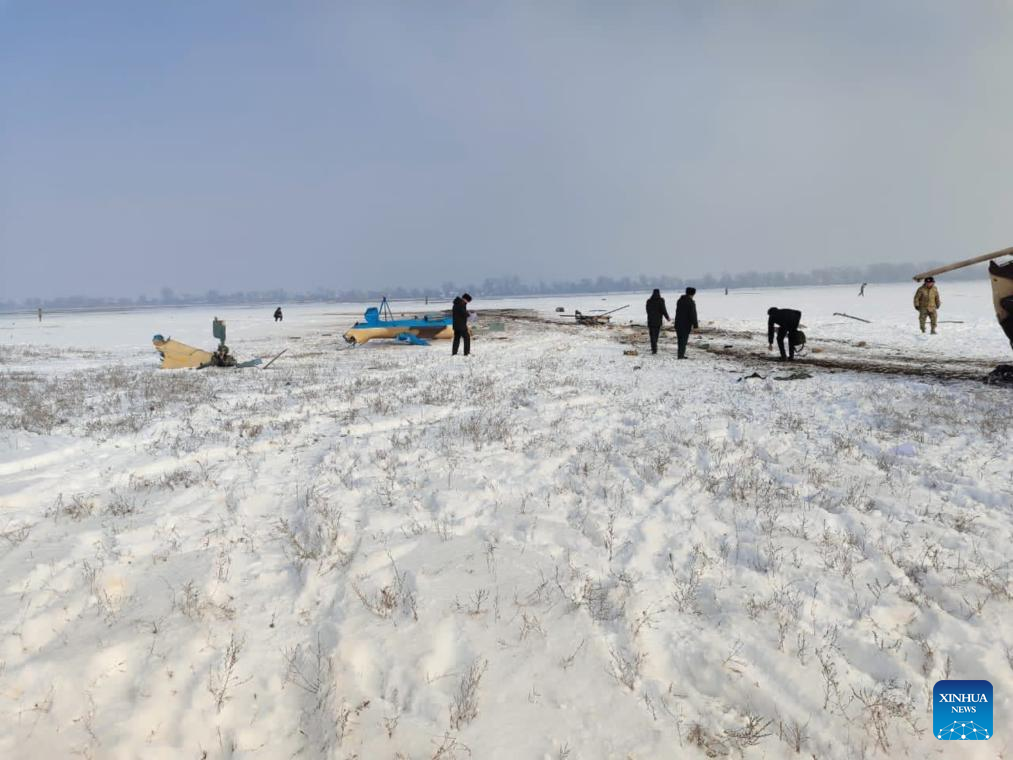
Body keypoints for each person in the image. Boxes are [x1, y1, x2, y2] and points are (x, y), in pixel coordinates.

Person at [674, 287, 699, 359]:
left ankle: (680, 354)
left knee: (680, 340)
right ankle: (680, 355)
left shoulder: (679, 301)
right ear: (692, 294)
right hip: (686, 324)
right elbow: (693, 314)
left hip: (678, 323)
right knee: (683, 340)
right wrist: (695, 325)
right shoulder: (691, 302)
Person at [645, 289, 670, 354]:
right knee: (656, 334)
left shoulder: (649, 301)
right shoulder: (661, 300)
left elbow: (647, 310)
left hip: (650, 320)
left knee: (652, 335)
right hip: (658, 320)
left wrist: (651, 315)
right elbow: (663, 310)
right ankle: (654, 347)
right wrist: (667, 317)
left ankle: (654, 348)